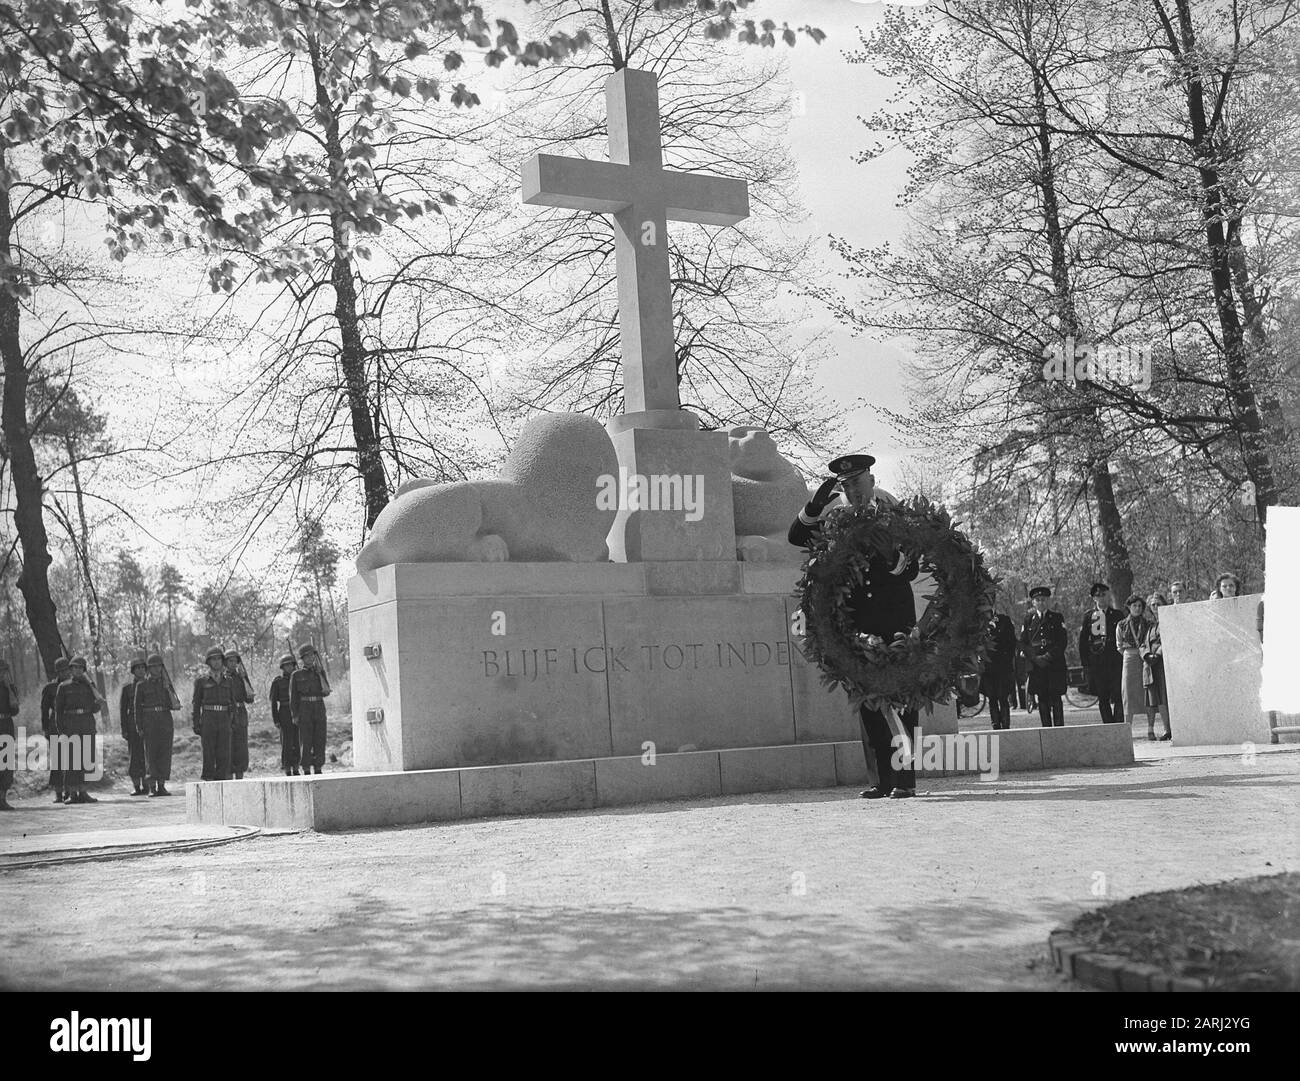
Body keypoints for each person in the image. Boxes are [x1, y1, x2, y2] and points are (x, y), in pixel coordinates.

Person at [788, 451, 921, 799]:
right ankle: (881, 778)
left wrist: (893, 559)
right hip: (856, 618)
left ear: (872, 480)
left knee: (902, 694)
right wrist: (812, 508)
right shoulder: (835, 513)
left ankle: (904, 779)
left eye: (858, 483)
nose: (854, 491)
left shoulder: (891, 507)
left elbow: (912, 566)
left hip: (895, 615)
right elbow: (796, 538)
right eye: (847, 485)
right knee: (867, 699)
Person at [56, 656, 104, 803]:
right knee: (71, 760)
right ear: (70, 670)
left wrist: (99, 702)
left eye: (80, 668)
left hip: (86, 724)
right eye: (74, 667)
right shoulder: (63, 687)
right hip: (70, 725)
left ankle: (83, 791)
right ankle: (72, 793)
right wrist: (61, 730)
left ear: (84, 670)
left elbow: (94, 708)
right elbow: (58, 711)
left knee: (86, 759)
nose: (77, 670)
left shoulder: (89, 686)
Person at [1077, 583, 1124, 724]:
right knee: (1102, 696)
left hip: (1115, 662)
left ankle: (1118, 724)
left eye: (1104, 594)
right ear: (1093, 598)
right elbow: (1083, 642)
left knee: (1118, 695)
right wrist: (1085, 665)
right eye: (1098, 596)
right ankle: (1108, 725)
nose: (1101, 598)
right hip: (1097, 663)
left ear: (1108, 595)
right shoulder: (1089, 616)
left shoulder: (1117, 614)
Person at [1021, 586, 1067, 727]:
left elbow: (1062, 642)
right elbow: (1024, 642)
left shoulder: (1057, 618)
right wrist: (1035, 658)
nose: (1041, 602)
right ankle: (1046, 729)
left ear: (1048, 601)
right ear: (1033, 602)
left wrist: (1047, 657)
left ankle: (1059, 730)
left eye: (1043, 600)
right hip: (1037, 667)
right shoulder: (1029, 619)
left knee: (1056, 698)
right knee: (1042, 699)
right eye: (1037, 600)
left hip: (1054, 665)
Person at [135, 653, 180, 796]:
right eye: (153, 667)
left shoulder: (166, 684)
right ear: (148, 669)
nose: (156, 669)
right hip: (149, 720)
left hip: (165, 719)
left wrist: (168, 689)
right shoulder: (141, 685)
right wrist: (139, 726)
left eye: (159, 666)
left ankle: (162, 785)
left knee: (164, 753)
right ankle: (152, 787)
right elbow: (137, 708)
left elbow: (175, 705)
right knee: (151, 754)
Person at [193, 646, 239, 781]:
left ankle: (221, 781)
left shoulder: (229, 681)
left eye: (219, 659)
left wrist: (234, 720)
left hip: (224, 719)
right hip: (208, 718)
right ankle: (208, 780)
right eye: (213, 659)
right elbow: (196, 704)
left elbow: (233, 701)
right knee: (208, 751)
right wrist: (196, 723)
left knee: (224, 753)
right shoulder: (201, 681)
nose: (217, 662)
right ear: (208, 662)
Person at [291, 644, 331, 776]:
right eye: (307, 656)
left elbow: (326, 692)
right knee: (306, 740)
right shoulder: (296, 675)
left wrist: (320, 674)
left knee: (320, 739)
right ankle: (306, 768)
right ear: (302, 659)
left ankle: (318, 767)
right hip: (304, 708)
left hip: (319, 707)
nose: (310, 658)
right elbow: (293, 698)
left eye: (312, 655)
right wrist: (295, 715)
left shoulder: (320, 672)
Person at [1116, 594, 1154, 725]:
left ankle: (1150, 727)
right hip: (1129, 658)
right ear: (1128, 607)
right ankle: (1128, 727)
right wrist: (1129, 654)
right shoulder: (1121, 624)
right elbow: (1119, 645)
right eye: (1134, 606)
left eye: (1140, 606)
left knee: (1147, 691)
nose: (1137, 608)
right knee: (1127, 692)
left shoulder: (1148, 624)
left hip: (1144, 657)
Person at [1141, 593, 1173, 741]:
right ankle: (1167, 729)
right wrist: (1146, 654)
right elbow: (1143, 644)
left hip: (1163, 663)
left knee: (1166, 695)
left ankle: (1172, 729)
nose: (1155, 607)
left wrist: (1158, 654)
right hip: (1151, 665)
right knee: (1158, 698)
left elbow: (1167, 639)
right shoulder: (1150, 625)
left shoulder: (1168, 619)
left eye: (1158, 603)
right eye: (1152, 604)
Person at [980, 607, 1018, 730]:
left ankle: (1005, 725)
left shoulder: (1004, 620)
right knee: (992, 697)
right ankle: (995, 725)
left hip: (1003, 665)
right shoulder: (979, 622)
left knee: (1003, 697)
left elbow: (1012, 642)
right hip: (987, 667)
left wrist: (1008, 660)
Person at [41, 655, 71, 802]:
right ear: (57, 672)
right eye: (62, 671)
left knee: (72, 759)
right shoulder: (50, 688)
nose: (65, 673)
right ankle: (59, 793)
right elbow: (44, 709)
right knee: (58, 760)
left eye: (67, 670)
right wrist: (45, 728)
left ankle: (70, 791)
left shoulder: (75, 684)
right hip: (55, 726)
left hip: (72, 724)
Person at [224, 648, 256, 780]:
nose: (233, 664)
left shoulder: (241, 677)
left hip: (241, 713)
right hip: (228, 714)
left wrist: (244, 679)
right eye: (230, 661)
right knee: (229, 746)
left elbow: (250, 698)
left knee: (241, 747)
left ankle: (240, 775)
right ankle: (229, 775)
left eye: (235, 661)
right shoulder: (223, 678)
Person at [120, 654, 149, 795]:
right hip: (132, 724)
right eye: (137, 668)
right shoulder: (127, 689)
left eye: (143, 668)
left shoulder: (150, 685)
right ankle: (136, 785)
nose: (140, 671)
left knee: (147, 755)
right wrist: (124, 729)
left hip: (148, 723)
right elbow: (122, 710)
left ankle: (147, 784)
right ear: (133, 671)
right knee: (135, 755)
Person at [270, 653, 301, 776]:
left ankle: (296, 767)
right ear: (282, 667)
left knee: (297, 741)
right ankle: (287, 767)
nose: (289, 668)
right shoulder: (278, 682)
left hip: (297, 712)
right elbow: (273, 703)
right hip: (284, 712)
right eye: (286, 666)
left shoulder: (298, 679)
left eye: (291, 665)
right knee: (287, 742)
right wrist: (276, 719)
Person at [0, 660, 18, 810]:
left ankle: (2, 798)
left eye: (4, 671)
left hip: (6, 724)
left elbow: (15, 710)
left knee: (6, 762)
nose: (2, 674)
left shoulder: (10, 688)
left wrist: (10, 689)